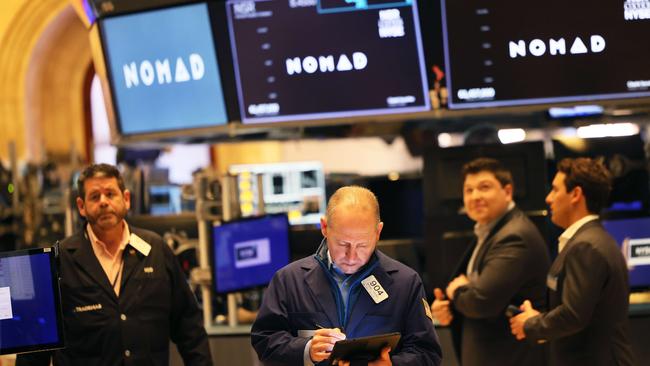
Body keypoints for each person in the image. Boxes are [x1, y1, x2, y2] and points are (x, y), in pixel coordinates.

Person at [17, 163, 212, 366]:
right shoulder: (59, 259)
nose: (104, 202)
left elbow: (189, 327)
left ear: (126, 199)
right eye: (95, 196)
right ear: (81, 207)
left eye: (110, 194)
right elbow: (35, 346)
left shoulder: (156, 249)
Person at [251, 186, 442, 365]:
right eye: (343, 244)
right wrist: (306, 350)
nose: (351, 257)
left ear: (378, 232)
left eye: (362, 245)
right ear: (324, 227)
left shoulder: (405, 283)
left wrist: (393, 364)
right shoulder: (288, 280)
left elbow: (427, 352)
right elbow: (264, 339)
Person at [510, 157, 636, 366]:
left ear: (576, 194)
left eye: (555, 190)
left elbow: (573, 315)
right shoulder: (592, 239)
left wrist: (531, 324)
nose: (549, 198)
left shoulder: (586, 246)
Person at [430, 158, 549, 366]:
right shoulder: (490, 231)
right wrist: (449, 306)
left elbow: (482, 301)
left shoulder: (514, 236)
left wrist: (456, 292)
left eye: (484, 187)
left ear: (507, 191)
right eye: (468, 190)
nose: (475, 196)